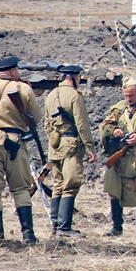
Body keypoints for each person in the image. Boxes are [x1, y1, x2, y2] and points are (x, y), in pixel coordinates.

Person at [43, 64, 97, 237]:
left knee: (58, 184)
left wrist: (53, 138)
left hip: (55, 144)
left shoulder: (51, 95)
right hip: (71, 143)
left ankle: (55, 225)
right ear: (74, 77)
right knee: (71, 184)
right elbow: (82, 124)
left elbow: (46, 124)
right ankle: (64, 227)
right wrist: (90, 146)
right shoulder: (75, 95)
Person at [101, 78, 136, 236]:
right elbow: (105, 126)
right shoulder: (118, 108)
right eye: (126, 95)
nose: (129, 99)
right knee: (114, 190)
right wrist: (114, 131)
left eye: (132, 95)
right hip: (120, 156)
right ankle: (116, 227)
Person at [0, 56, 41, 243]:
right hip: (14, 143)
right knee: (21, 188)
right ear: (13, 71)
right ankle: (28, 234)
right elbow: (35, 118)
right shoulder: (22, 88)